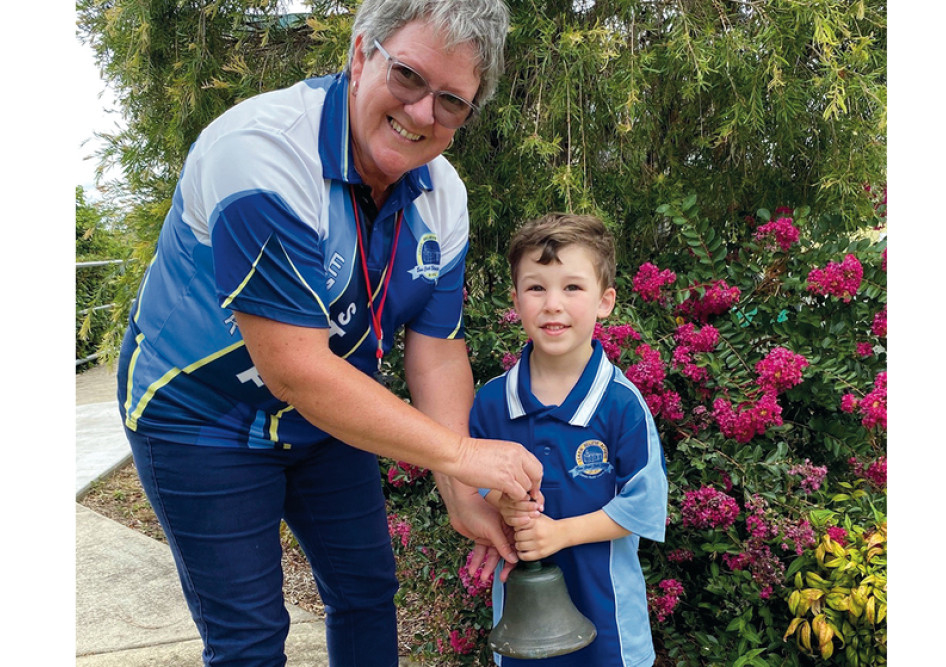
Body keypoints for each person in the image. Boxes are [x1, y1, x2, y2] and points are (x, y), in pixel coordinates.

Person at [116, 0, 543, 664]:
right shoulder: (262, 156)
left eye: (452, 102)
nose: (423, 112)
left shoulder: (444, 198)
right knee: (250, 640)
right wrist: (463, 457)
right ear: (359, 53)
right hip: (198, 412)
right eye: (407, 75)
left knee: (368, 592)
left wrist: (463, 491)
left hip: (326, 412)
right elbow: (295, 367)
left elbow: (435, 355)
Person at [470, 213, 669, 666]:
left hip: (609, 629)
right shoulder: (490, 403)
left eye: (573, 287)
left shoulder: (621, 405)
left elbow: (644, 505)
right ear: (515, 300)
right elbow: (472, 479)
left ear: (606, 301)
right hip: (522, 628)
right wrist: (498, 500)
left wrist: (558, 534)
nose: (552, 304)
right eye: (536, 287)